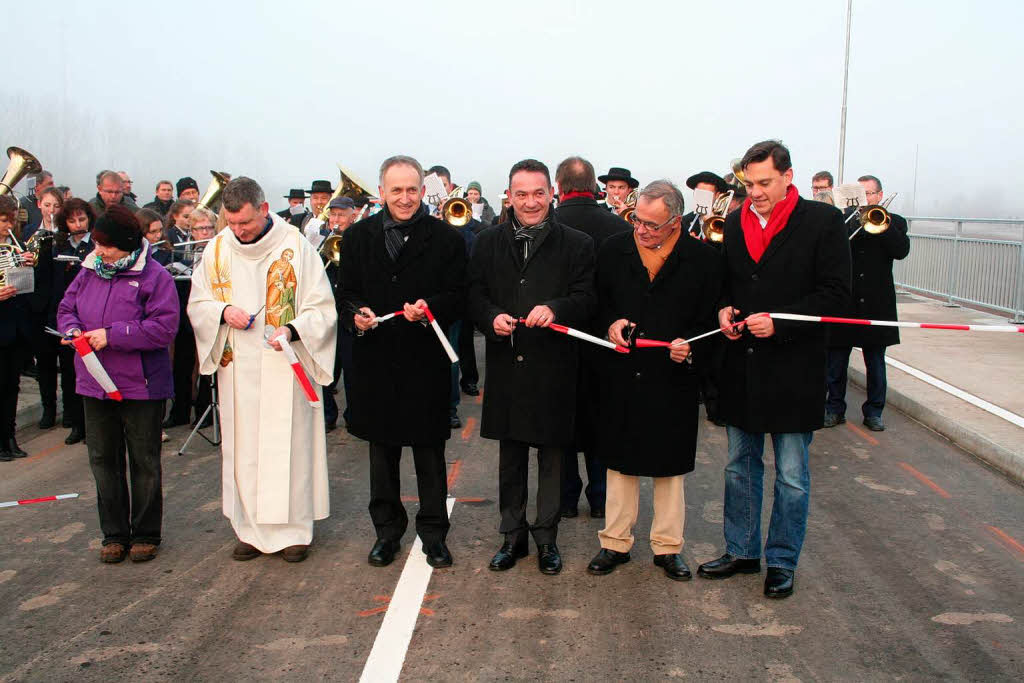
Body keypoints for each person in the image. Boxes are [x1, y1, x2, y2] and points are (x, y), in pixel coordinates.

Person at [696, 140, 851, 599]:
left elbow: (837, 295)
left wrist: (780, 322)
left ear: (788, 176)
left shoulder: (822, 222)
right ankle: (742, 550)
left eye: (764, 183)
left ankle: (781, 561)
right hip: (742, 367)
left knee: (791, 475)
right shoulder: (736, 221)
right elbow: (725, 281)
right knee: (739, 468)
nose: (756, 192)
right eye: (749, 184)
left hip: (795, 369)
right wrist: (723, 308)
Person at [188, 177, 337, 563]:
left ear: (265, 210)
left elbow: (323, 309)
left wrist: (293, 328)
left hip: (284, 365)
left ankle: (294, 533)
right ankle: (250, 530)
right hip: (238, 369)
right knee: (245, 452)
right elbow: (198, 303)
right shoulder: (218, 249)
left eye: (246, 223)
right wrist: (222, 312)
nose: (238, 231)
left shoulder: (296, 248)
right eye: (232, 223)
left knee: (286, 449)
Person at [587, 180, 722, 581]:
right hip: (622, 372)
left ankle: (667, 548)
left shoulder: (703, 259)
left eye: (652, 225)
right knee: (619, 462)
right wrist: (608, 323)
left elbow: (710, 320)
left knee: (669, 467)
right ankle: (614, 542)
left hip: (673, 376)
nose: (641, 230)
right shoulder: (613, 249)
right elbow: (594, 303)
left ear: (676, 222)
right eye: (636, 221)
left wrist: (692, 348)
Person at [468, 158, 596, 576]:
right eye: (521, 194)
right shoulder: (487, 241)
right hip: (508, 364)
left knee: (554, 459)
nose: (530, 202)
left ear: (552, 194)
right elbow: (475, 295)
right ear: (508, 196)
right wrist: (491, 318)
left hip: (554, 366)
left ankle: (547, 539)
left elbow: (587, 297)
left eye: (538, 193)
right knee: (511, 457)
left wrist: (556, 308)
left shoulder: (577, 243)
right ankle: (512, 537)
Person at [339, 155, 465, 570]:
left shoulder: (446, 238)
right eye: (397, 190)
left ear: (422, 191)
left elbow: (457, 294)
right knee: (382, 455)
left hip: (424, 362)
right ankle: (386, 534)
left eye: (412, 189)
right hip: (375, 364)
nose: (405, 198)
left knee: (429, 455)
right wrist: (357, 313)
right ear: (382, 193)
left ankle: (434, 535)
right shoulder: (357, 238)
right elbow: (347, 293)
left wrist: (431, 308)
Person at [57, 204, 178, 563]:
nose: (99, 251)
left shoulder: (157, 277)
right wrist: (72, 330)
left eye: (106, 245)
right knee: (103, 460)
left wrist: (112, 335)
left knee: (144, 460)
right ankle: (113, 533)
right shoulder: (88, 271)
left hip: (141, 386)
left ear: (127, 244)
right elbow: (67, 308)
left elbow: (163, 328)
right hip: (94, 382)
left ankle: (145, 533)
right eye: (96, 243)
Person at [552, 156, 629, 519]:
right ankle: (601, 499)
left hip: (559, 336)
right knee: (601, 421)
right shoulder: (617, 225)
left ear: (558, 186)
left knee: (563, 420)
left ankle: (566, 499)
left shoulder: (548, 223)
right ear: (595, 186)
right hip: (605, 339)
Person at [825, 174, 910, 432]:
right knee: (836, 362)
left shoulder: (894, 222)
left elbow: (901, 250)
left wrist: (882, 226)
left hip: (876, 302)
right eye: (861, 194)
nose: (866, 198)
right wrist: (851, 220)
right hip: (845, 302)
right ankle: (834, 409)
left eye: (870, 194)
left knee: (875, 363)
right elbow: (832, 252)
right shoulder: (842, 221)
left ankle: (874, 412)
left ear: (879, 196)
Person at [0, 196, 35, 461]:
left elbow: (24, 287)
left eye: (10, 220)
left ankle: (9, 437)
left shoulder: (15, 246)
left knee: (12, 385)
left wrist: (26, 266)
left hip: (14, 324)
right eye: (3, 220)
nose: (7, 225)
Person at [681, 171, 730, 240]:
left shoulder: (726, 222)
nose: (702, 198)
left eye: (707, 194)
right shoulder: (685, 221)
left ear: (717, 195)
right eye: (699, 193)